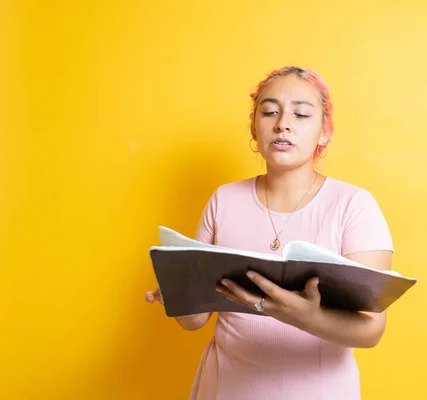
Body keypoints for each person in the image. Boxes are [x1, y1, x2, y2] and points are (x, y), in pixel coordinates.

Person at [145, 66, 394, 399]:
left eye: (301, 114)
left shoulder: (354, 206)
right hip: (226, 388)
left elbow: (371, 330)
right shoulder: (224, 200)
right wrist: (177, 292)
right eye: (269, 111)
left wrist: (302, 315)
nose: (283, 124)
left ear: (324, 132)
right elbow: (195, 321)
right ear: (254, 127)